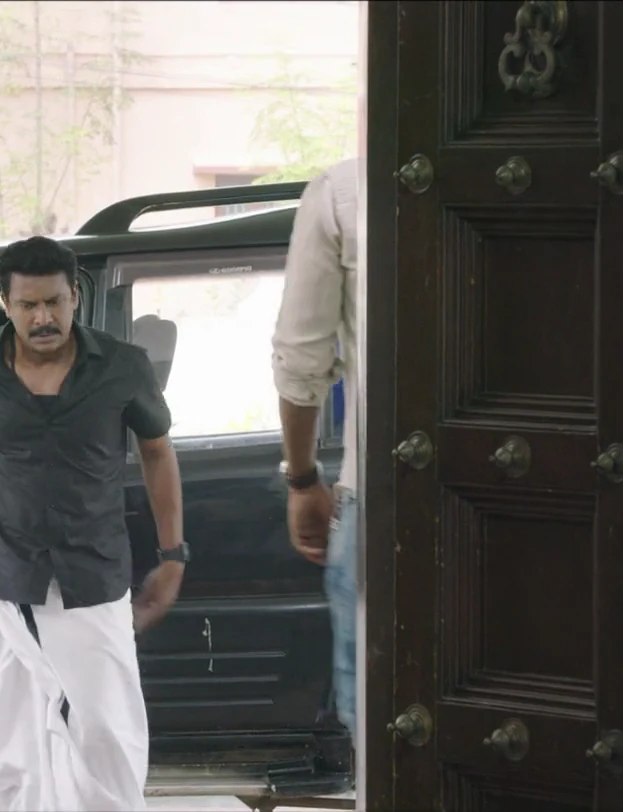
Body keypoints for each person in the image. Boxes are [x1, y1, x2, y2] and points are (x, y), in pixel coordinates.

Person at [0, 236, 186, 812]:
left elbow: (157, 452)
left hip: (91, 574)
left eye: (54, 302)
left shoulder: (123, 366)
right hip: (2, 574)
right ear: (6, 304)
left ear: (75, 296)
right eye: (28, 305)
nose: (43, 318)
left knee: (106, 724)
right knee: (12, 732)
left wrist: (173, 554)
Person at [271, 157, 363, 749]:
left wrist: (303, 480)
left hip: (380, 495)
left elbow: (301, 361)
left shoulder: (344, 191)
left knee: (379, 717)